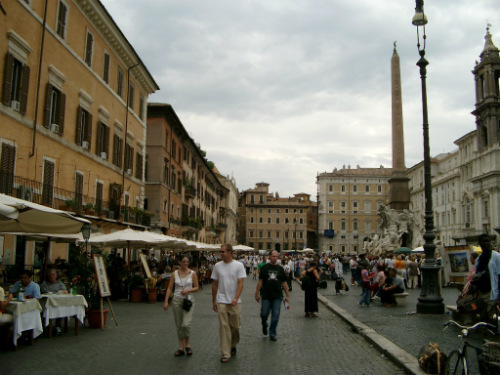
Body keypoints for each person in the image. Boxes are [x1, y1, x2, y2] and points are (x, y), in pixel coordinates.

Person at [211, 244, 246, 363]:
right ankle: (225, 353)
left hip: (234, 301)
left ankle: (233, 344)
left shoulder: (239, 265)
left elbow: (241, 283)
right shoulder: (217, 266)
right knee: (224, 327)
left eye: (223, 252)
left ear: (230, 252)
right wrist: (214, 300)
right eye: (220, 252)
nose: (221, 254)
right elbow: (214, 284)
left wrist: (236, 297)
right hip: (221, 300)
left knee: (235, 326)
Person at [163, 255, 199, 357]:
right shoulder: (174, 274)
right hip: (177, 300)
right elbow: (170, 288)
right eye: (183, 261)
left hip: (188, 300)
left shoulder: (193, 273)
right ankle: (181, 347)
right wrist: (166, 301)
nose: (185, 263)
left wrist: (188, 290)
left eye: (187, 262)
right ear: (179, 262)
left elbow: (196, 287)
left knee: (186, 324)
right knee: (179, 325)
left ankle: (187, 344)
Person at [255, 250, 289, 341]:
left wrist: (287, 295)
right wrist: (256, 293)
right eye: (273, 256)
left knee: (275, 315)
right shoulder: (264, 268)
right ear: (269, 257)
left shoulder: (280, 269)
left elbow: (284, 283)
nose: (275, 258)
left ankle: (272, 333)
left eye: (276, 256)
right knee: (264, 314)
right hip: (266, 295)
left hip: (277, 296)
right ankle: (264, 324)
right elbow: (260, 281)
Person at [473, 234, 500, 318]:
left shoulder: (496, 256)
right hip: (481, 293)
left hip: (491, 293)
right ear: (480, 243)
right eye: (483, 241)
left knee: (491, 317)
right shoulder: (479, 259)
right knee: (482, 316)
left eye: (487, 241)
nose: (486, 243)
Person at [40, 268, 68, 335]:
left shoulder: (60, 284)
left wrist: (59, 292)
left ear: (56, 276)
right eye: (50, 275)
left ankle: (58, 326)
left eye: (53, 275)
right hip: (46, 304)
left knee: (59, 309)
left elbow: (65, 292)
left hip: (57, 304)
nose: (51, 276)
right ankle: (42, 326)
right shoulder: (44, 285)